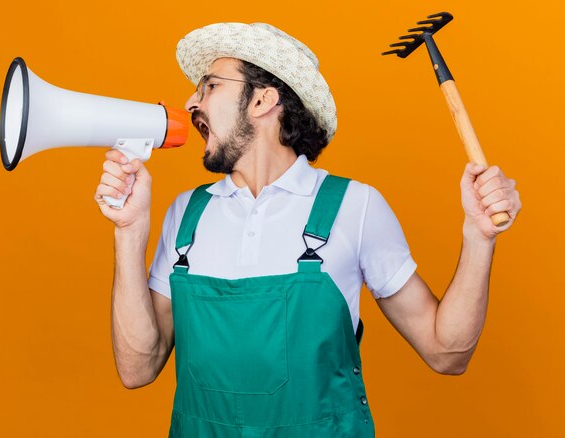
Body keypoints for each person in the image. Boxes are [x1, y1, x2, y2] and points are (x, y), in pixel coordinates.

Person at [94, 22, 522, 437]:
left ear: (262, 100)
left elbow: (446, 352)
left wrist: (479, 237)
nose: (190, 103)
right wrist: (129, 232)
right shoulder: (186, 214)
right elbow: (137, 369)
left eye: (209, 86)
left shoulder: (353, 207)